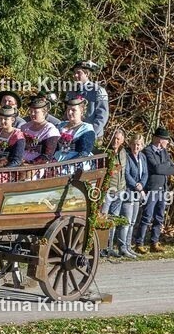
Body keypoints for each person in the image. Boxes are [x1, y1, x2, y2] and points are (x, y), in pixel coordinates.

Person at [135, 127, 174, 254]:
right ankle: (139, 243)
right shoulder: (148, 151)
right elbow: (156, 169)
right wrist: (165, 167)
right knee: (147, 216)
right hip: (152, 188)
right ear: (159, 139)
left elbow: (173, 168)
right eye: (166, 140)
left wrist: (165, 168)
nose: (167, 142)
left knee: (159, 217)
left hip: (163, 188)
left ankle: (154, 242)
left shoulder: (164, 152)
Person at [101, 127, 128, 257]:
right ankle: (101, 247)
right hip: (108, 190)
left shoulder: (123, 153)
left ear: (122, 140)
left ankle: (110, 246)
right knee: (103, 218)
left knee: (113, 220)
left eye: (118, 139)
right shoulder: (105, 152)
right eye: (114, 138)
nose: (115, 141)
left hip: (120, 190)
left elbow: (124, 171)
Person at [119, 133, 148, 259]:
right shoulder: (127, 155)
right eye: (134, 144)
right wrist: (136, 185)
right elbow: (126, 173)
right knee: (126, 221)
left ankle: (129, 246)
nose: (136, 147)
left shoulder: (142, 157)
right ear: (130, 144)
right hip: (128, 192)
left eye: (139, 145)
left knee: (132, 222)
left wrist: (141, 185)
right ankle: (122, 247)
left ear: (142, 146)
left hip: (137, 193)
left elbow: (146, 173)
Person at [72, 60, 109, 140]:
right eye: (74, 72)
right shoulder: (72, 91)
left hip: (92, 135)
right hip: (73, 134)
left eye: (79, 72)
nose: (75, 75)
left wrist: (90, 133)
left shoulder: (98, 90)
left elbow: (102, 117)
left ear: (87, 74)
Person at [54, 95, 96, 163]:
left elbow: (84, 153)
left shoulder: (86, 128)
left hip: (76, 162)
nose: (70, 113)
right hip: (56, 160)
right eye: (68, 110)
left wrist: (66, 164)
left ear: (81, 112)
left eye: (73, 110)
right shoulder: (60, 125)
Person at [20, 96, 61, 164]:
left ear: (44, 113)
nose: (32, 114)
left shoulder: (50, 130)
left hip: (39, 165)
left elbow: (46, 156)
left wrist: (30, 163)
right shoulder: (24, 127)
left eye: (36, 112)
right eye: (31, 111)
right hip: (20, 162)